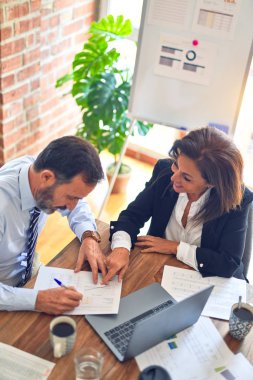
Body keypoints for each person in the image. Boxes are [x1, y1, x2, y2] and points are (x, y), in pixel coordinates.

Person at [103, 127, 253, 283]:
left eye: (186, 177)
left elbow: (228, 263)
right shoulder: (165, 172)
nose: (174, 178)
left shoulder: (237, 200)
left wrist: (175, 247)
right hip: (159, 269)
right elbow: (132, 216)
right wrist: (121, 248)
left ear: (212, 183)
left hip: (210, 280)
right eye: (176, 164)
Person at [0, 136, 106, 314]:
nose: (72, 206)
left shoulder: (37, 170)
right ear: (47, 177)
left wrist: (89, 236)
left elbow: (78, 207)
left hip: (28, 270)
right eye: (71, 197)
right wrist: (38, 299)